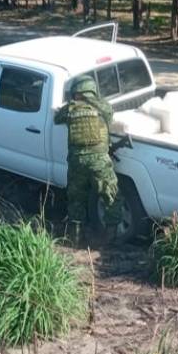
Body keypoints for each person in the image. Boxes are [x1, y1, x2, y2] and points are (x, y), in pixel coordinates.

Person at [54, 76, 122, 241]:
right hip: (99, 160)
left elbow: (57, 119)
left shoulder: (69, 109)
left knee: (76, 199)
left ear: (76, 92)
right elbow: (110, 115)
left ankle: (76, 237)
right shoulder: (103, 107)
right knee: (110, 196)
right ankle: (110, 237)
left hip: (77, 161)